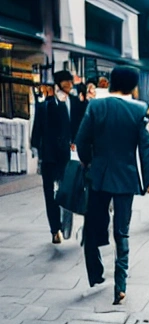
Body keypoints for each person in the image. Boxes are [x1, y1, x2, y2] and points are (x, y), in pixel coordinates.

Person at [76, 65, 149, 305]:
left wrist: (89, 163)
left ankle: (95, 273)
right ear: (133, 85)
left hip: (98, 176)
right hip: (126, 177)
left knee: (92, 224)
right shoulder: (139, 109)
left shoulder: (96, 106)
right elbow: (146, 147)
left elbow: (81, 141)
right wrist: (148, 179)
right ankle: (120, 285)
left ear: (111, 82)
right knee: (122, 231)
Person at [31, 70, 86, 244]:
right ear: (58, 84)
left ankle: (66, 226)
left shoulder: (77, 104)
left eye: (71, 81)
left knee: (68, 190)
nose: (70, 84)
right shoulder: (45, 106)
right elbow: (36, 132)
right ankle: (55, 229)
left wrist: (78, 141)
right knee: (50, 193)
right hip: (50, 157)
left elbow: (83, 127)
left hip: (71, 157)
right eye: (66, 82)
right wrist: (38, 153)